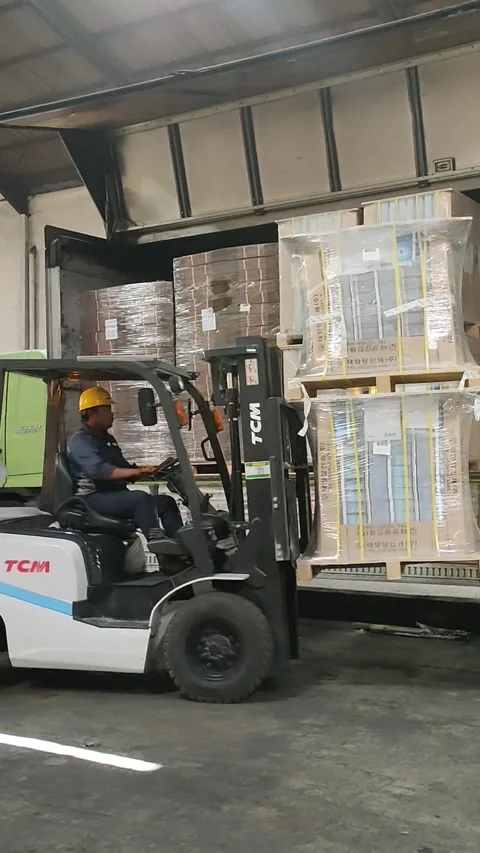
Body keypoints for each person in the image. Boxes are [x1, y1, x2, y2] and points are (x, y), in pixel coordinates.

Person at [67, 386, 183, 542]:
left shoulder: (108, 440)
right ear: (92, 412)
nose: (112, 413)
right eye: (107, 409)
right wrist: (135, 472)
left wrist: (149, 471)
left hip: (113, 494)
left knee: (165, 502)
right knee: (140, 499)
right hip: (92, 498)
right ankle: (162, 552)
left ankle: (182, 547)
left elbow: (123, 468)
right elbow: (99, 471)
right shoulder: (81, 441)